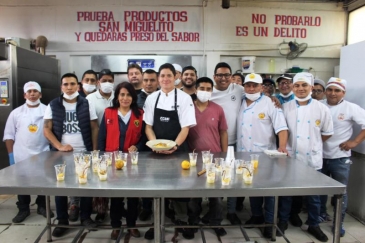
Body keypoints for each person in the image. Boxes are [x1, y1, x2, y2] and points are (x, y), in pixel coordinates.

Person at [43, 73, 99, 237]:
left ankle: (85, 217)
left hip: (84, 151)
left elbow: (94, 127)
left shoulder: (86, 104)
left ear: (78, 86)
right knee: (60, 188)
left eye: (72, 84)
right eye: (65, 84)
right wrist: (59, 146)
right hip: (61, 155)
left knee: (85, 187)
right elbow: (46, 129)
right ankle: (62, 221)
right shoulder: (53, 105)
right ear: (61, 87)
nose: (69, 87)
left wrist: (94, 149)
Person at [282, 72, 333, 242]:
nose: (300, 89)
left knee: (313, 196)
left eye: (304, 85)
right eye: (297, 85)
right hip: (290, 157)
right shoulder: (286, 107)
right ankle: (283, 221)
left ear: (311, 87)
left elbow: (326, 134)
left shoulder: (321, 108)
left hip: (312, 158)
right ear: (292, 87)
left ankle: (313, 224)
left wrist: (314, 146)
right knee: (287, 193)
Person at [237, 73, 288, 238]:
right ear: (244, 86)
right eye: (248, 85)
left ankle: (269, 222)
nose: (251, 88)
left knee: (268, 190)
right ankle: (256, 215)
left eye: (255, 85)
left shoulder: (270, 103)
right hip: (244, 152)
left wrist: (281, 147)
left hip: (265, 154)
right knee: (251, 186)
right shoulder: (240, 101)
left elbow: (281, 128)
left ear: (261, 87)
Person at [98, 82, 146, 240]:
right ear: (117, 97)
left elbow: (144, 137)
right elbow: (101, 137)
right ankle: (116, 226)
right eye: (122, 94)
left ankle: (131, 225)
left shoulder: (140, 113)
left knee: (132, 196)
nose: (125, 98)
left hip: (132, 161)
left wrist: (137, 146)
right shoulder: (109, 112)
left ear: (133, 97)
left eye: (129, 95)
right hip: (112, 161)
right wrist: (100, 159)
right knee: (116, 197)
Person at [3, 81, 54, 223]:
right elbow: (8, 136)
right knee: (22, 183)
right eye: (29, 92)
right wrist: (11, 156)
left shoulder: (47, 111)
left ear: (40, 94)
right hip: (22, 155)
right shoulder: (16, 113)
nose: (32, 94)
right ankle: (23, 208)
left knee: (44, 182)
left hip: (43, 154)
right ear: (24, 94)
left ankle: (42, 206)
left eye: (35, 91)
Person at [320, 77, 365, 237]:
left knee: (341, 193)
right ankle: (320, 216)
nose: (333, 93)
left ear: (343, 93)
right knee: (320, 191)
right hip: (319, 157)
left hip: (340, 158)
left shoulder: (351, 108)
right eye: (330, 89)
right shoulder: (319, 106)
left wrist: (354, 142)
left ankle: (339, 223)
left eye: (337, 90)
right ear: (325, 91)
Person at [186, 77, 228, 238]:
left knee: (216, 195)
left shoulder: (218, 109)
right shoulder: (188, 108)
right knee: (193, 195)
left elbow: (223, 132)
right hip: (193, 158)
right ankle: (193, 222)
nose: (205, 91)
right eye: (202, 88)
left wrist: (223, 155)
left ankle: (215, 222)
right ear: (195, 90)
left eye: (208, 89)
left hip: (215, 157)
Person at [210, 62, 244, 225]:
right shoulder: (208, 91)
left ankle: (231, 211)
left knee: (233, 180)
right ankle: (214, 210)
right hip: (214, 144)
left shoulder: (238, 89)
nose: (223, 78)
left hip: (234, 142)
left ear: (231, 77)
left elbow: (256, 93)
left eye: (227, 75)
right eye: (220, 75)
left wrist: (273, 99)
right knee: (216, 178)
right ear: (214, 77)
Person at [144, 63, 196, 154]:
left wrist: (175, 146)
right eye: (162, 76)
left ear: (175, 77)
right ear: (158, 78)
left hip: (178, 149)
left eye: (169, 75)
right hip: (156, 151)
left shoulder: (185, 98)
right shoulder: (151, 98)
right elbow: (148, 127)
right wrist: (155, 146)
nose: (165, 79)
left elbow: (186, 128)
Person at [85, 69, 115, 223]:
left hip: (117, 143)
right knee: (101, 177)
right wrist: (96, 149)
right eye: (104, 80)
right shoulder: (90, 98)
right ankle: (101, 210)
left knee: (117, 177)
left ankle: (118, 208)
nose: (107, 83)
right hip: (99, 142)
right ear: (98, 82)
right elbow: (94, 126)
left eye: (110, 80)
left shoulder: (119, 96)